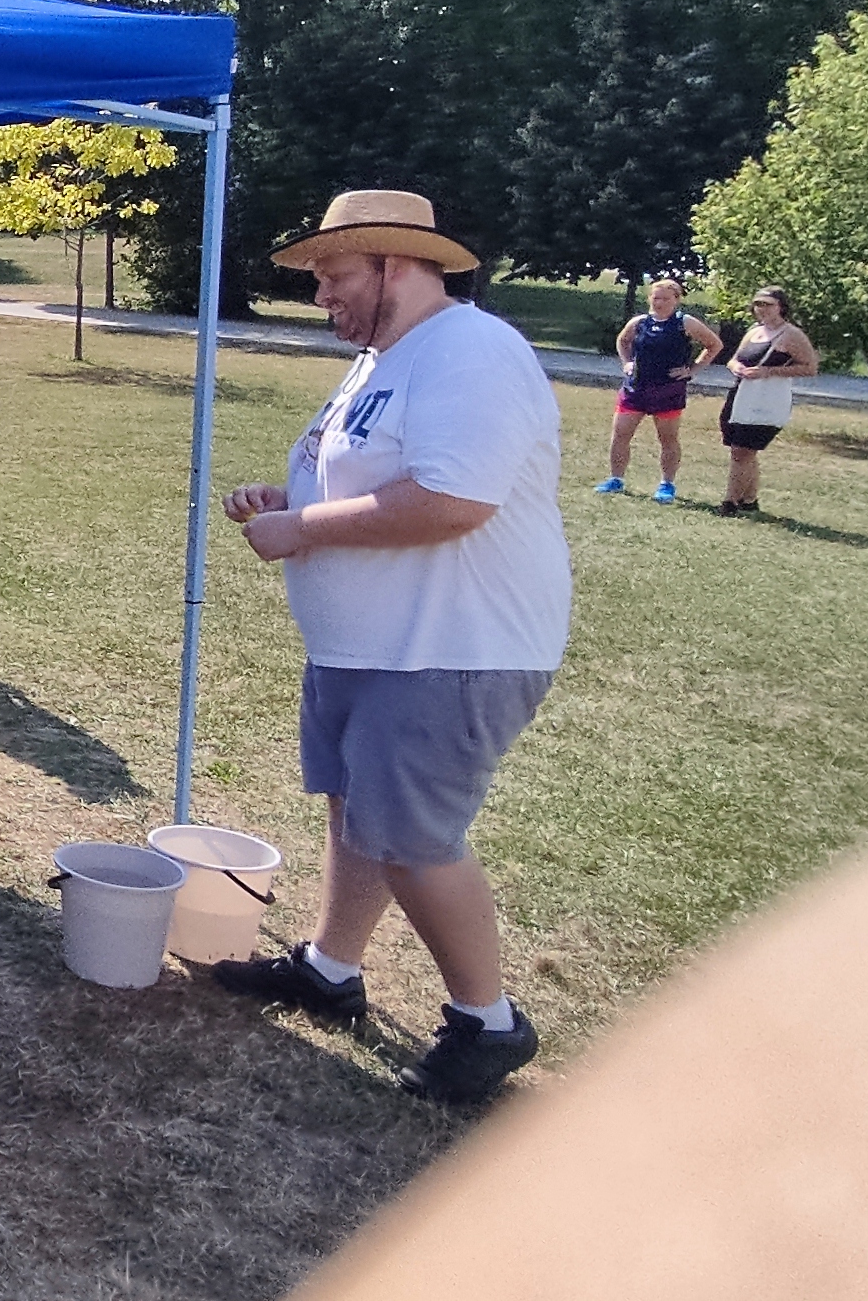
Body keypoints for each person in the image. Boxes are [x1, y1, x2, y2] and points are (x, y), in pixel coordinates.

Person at [210, 191, 571, 1106]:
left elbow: (453, 500)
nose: (321, 294)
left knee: (413, 841)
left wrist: (304, 531)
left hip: (450, 648)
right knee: (355, 812)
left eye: (333, 276)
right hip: (371, 646)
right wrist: (283, 502)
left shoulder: (471, 351)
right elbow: (366, 476)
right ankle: (333, 969)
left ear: (395, 264)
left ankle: (488, 1023)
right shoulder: (384, 359)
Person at [593, 278, 722, 504]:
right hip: (636, 388)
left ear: (676, 300)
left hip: (668, 390)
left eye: (665, 298)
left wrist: (692, 370)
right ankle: (616, 479)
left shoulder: (684, 322)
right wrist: (627, 363)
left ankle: (666, 484)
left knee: (668, 438)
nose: (659, 302)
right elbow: (623, 341)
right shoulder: (639, 322)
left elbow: (714, 345)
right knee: (621, 433)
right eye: (655, 297)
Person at [715, 287, 819, 517]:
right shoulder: (754, 331)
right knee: (741, 450)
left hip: (769, 400)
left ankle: (730, 503)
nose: (762, 309)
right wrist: (737, 368)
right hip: (742, 395)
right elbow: (733, 359)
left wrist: (768, 371)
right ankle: (749, 500)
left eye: (768, 304)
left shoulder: (791, 335)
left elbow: (810, 368)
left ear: (781, 307)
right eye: (758, 304)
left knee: (743, 451)